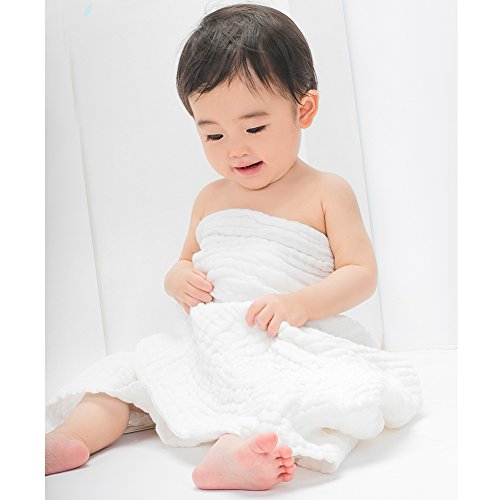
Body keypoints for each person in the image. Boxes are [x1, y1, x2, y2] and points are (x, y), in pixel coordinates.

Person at [45, 3, 378, 490]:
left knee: (291, 390)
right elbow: (185, 261)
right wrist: (176, 277)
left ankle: (234, 451)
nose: (234, 149)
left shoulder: (326, 191)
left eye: (254, 128)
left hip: (283, 340)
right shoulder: (211, 198)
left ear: (303, 110)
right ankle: (73, 436)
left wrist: (301, 304)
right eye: (214, 134)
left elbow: (360, 273)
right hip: (204, 341)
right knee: (125, 377)